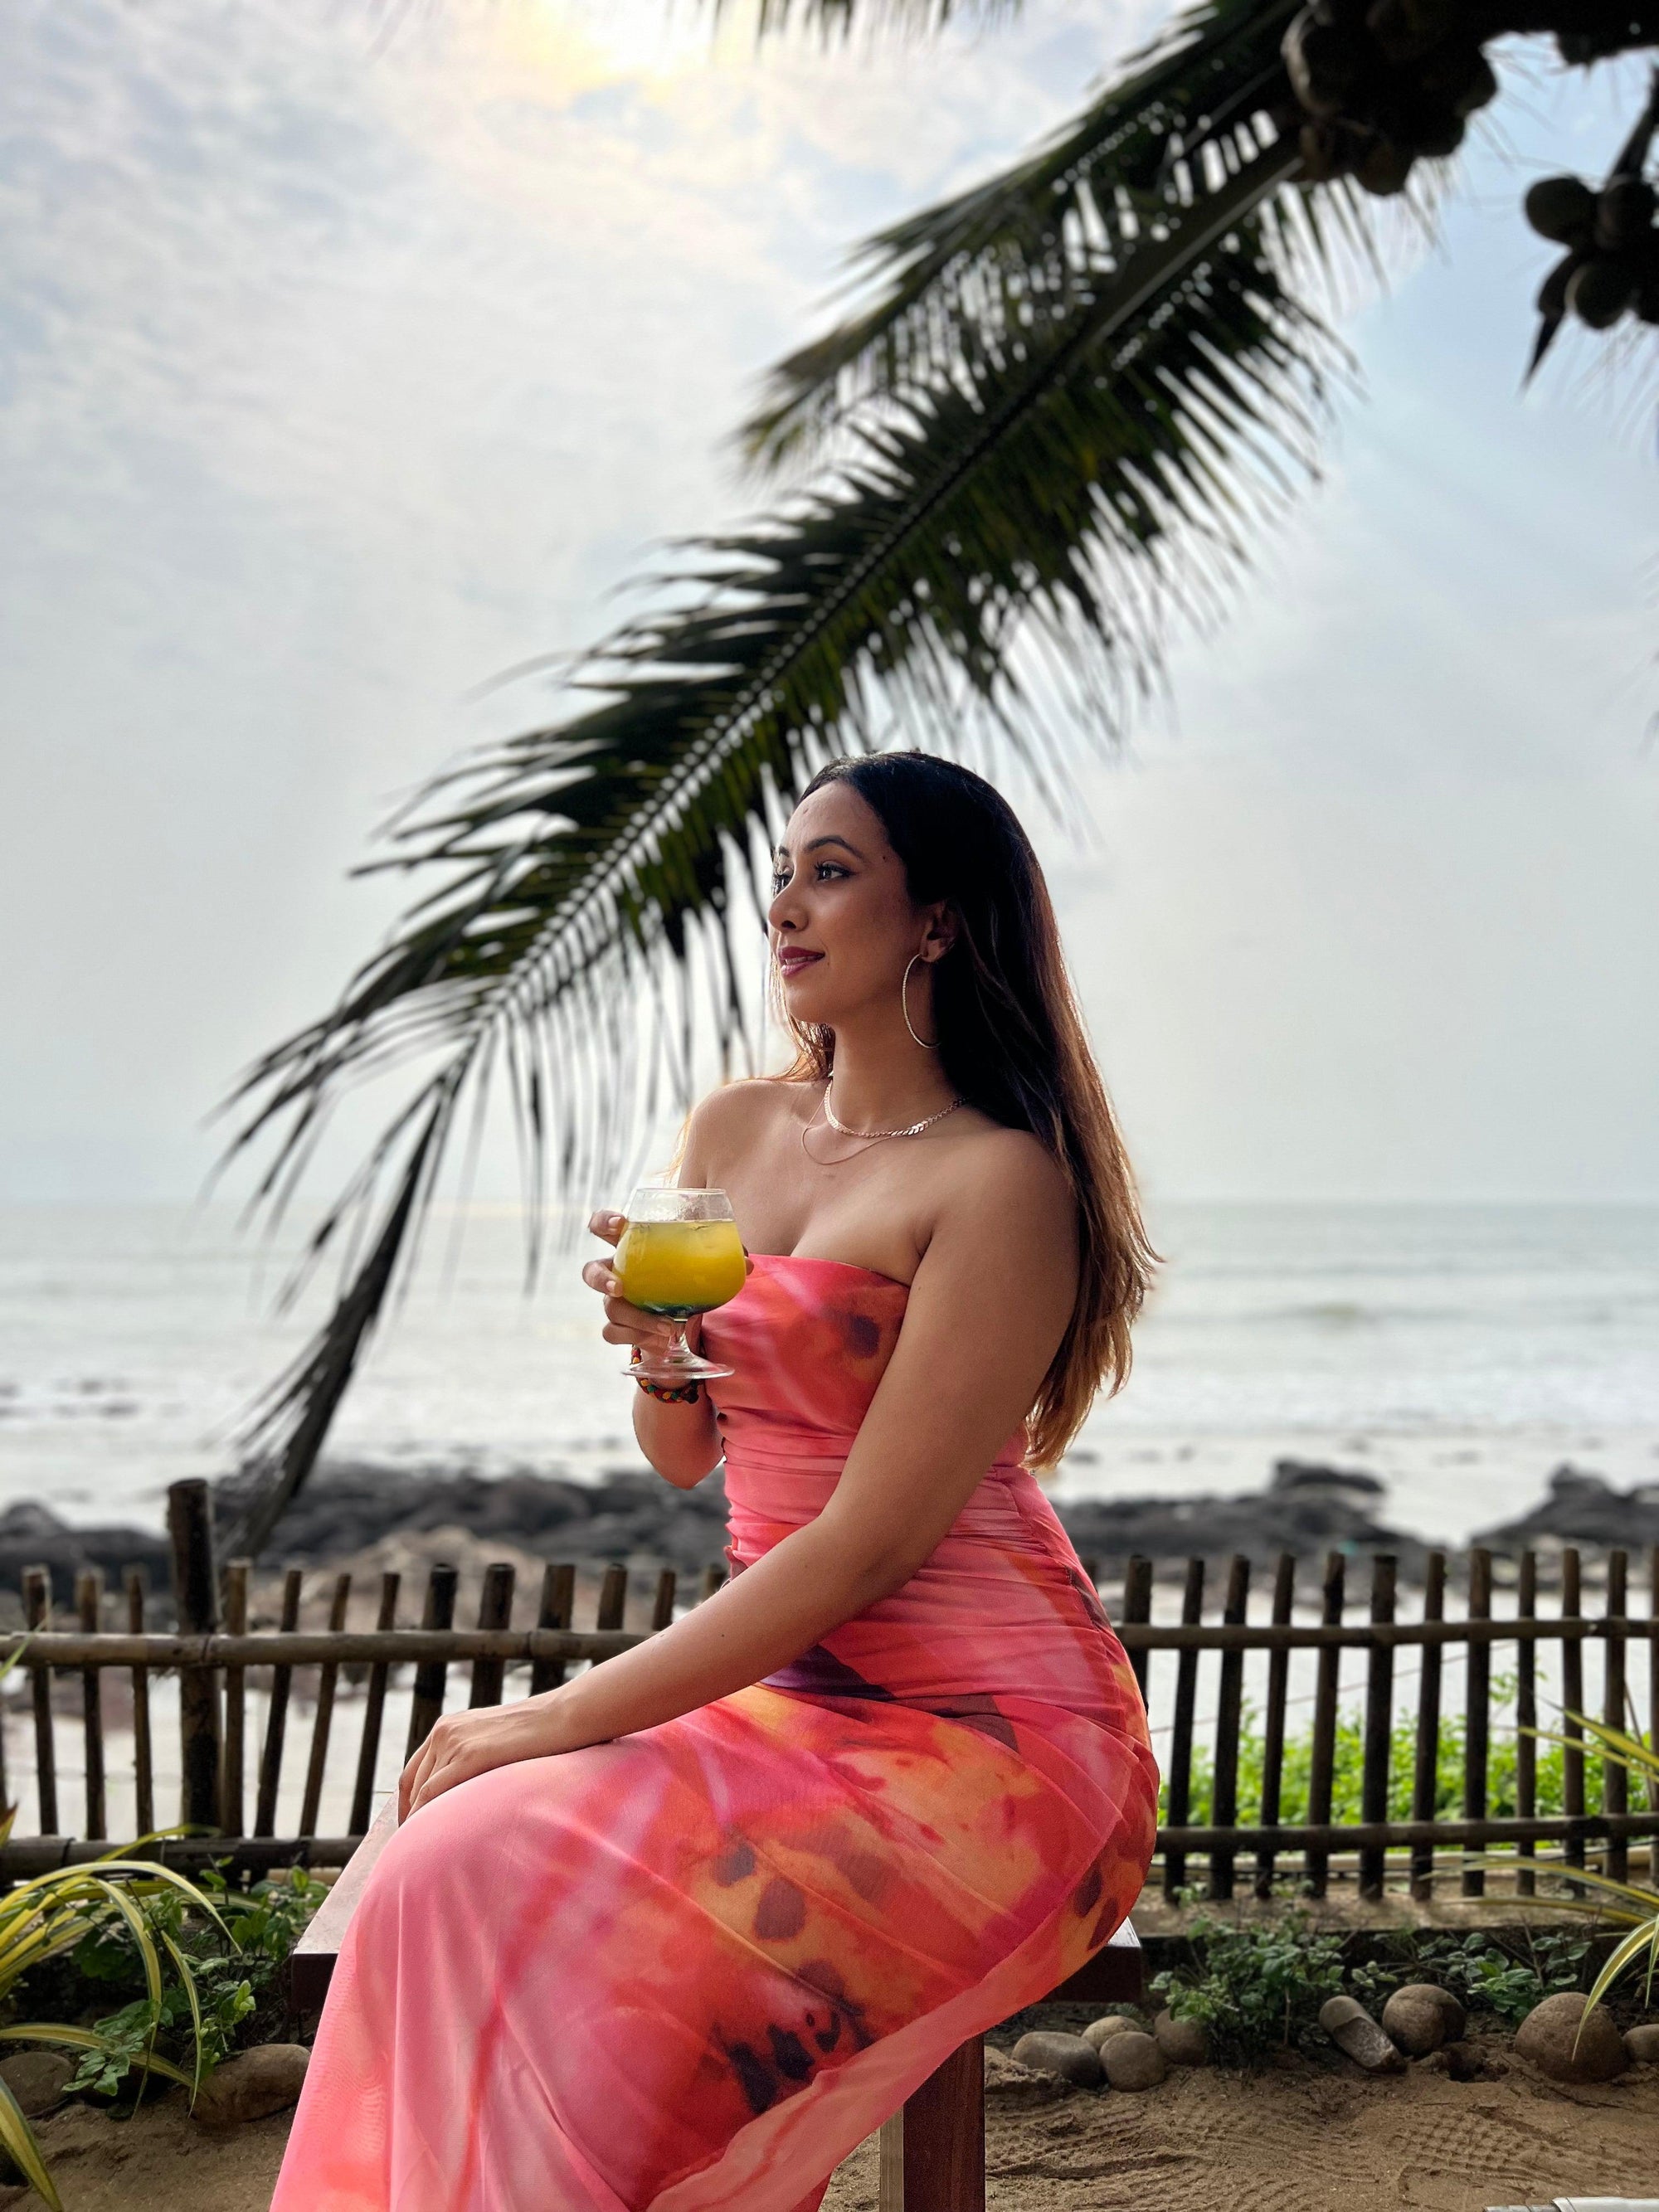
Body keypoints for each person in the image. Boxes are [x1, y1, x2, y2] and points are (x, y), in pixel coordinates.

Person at [270, 751, 1160, 2212]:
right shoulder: (733, 1133)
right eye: (784, 872)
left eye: (833, 872)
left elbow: (864, 1549)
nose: (784, 908)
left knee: (574, 1915)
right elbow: (690, 1457)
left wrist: (551, 1715)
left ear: (935, 920)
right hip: (796, 1697)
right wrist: (660, 1354)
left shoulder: (1003, 1181)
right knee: (451, 1860)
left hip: (992, 1737)